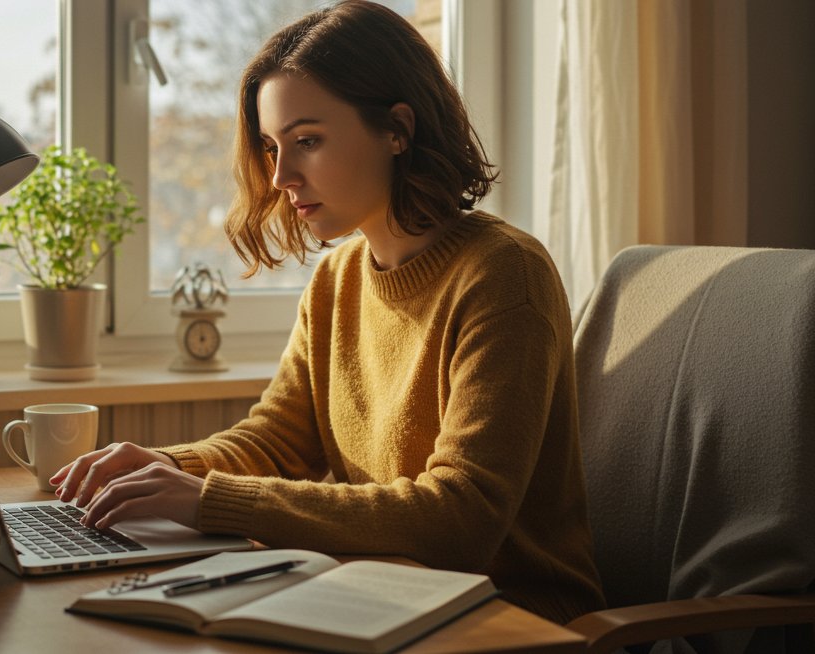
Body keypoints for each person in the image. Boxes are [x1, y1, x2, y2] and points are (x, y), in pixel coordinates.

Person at [53, 0, 604, 624]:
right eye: (270, 147)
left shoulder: (504, 275)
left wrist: (208, 500)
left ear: (397, 129)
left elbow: (461, 518)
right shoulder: (337, 279)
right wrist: (170, 467)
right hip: (381, 595)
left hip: (510, 618)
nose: (282, 175)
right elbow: (280, 438)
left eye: (306, 141)